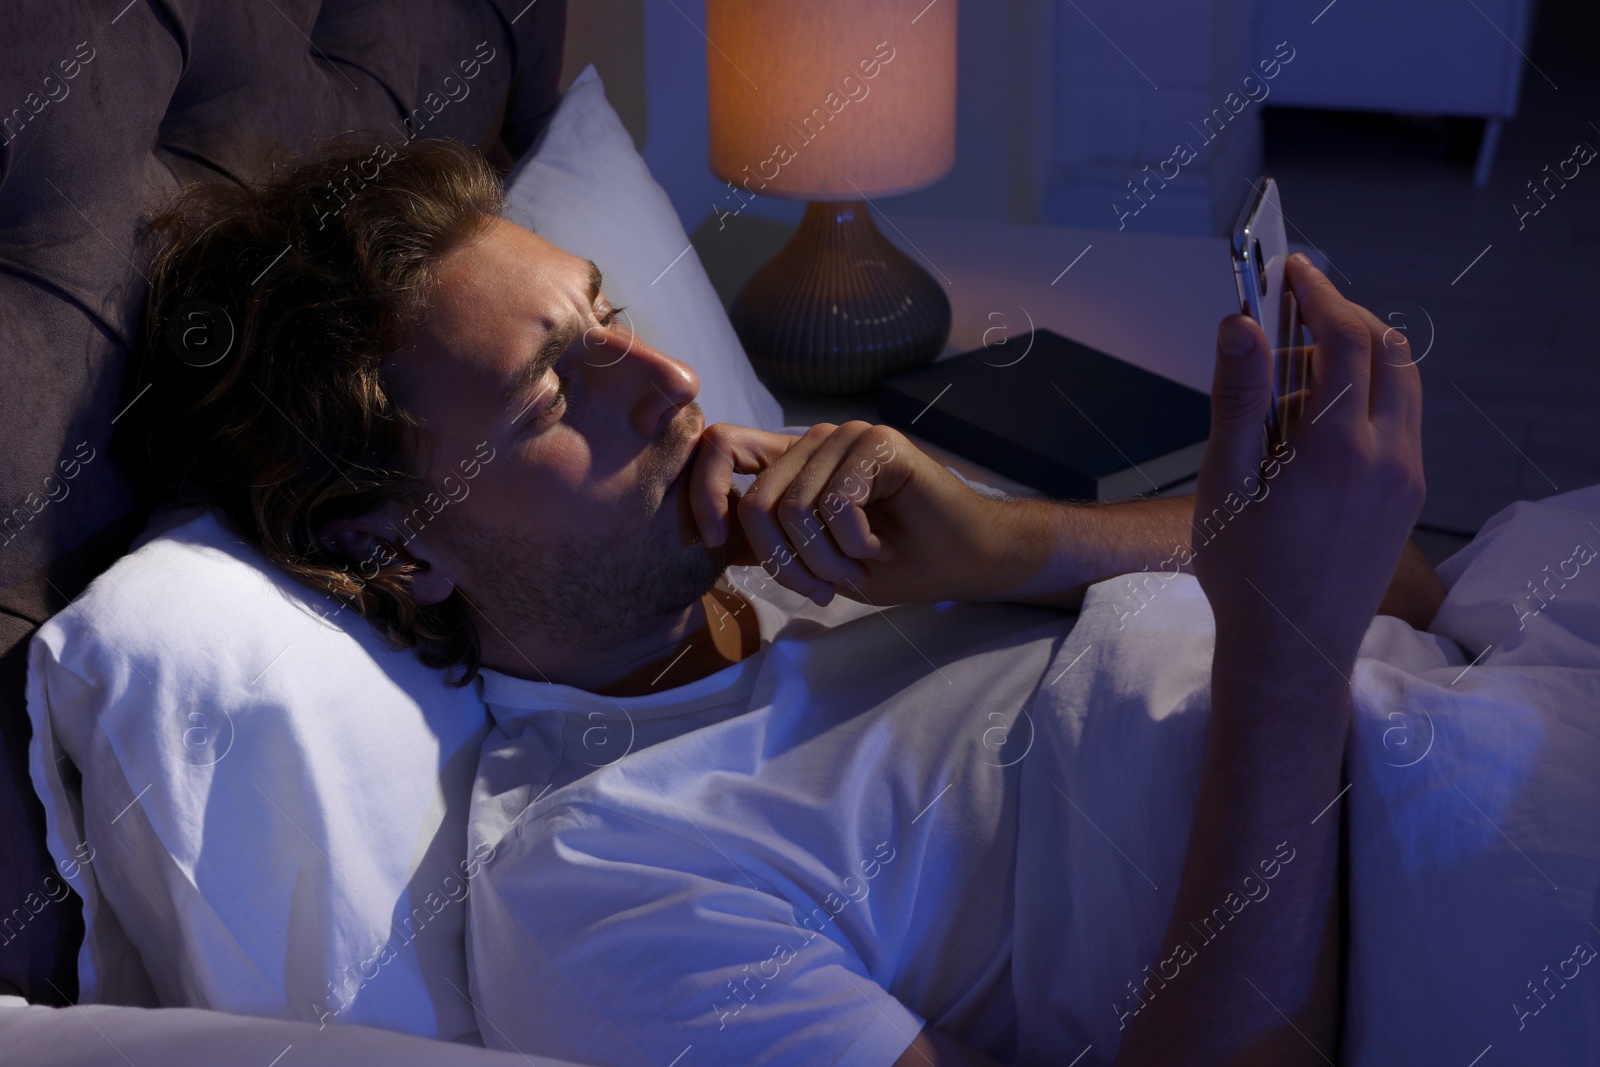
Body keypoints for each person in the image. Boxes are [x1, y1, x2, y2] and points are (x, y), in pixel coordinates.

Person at [116, 137, 1439, 1066]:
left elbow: (1406, 577)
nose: (675, 376)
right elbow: (1315, 615)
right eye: (553, 395)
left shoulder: (850, 554)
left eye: (613, 311)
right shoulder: (596, 888)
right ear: (400, 550)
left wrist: (1009, 543)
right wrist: (1283, 662)